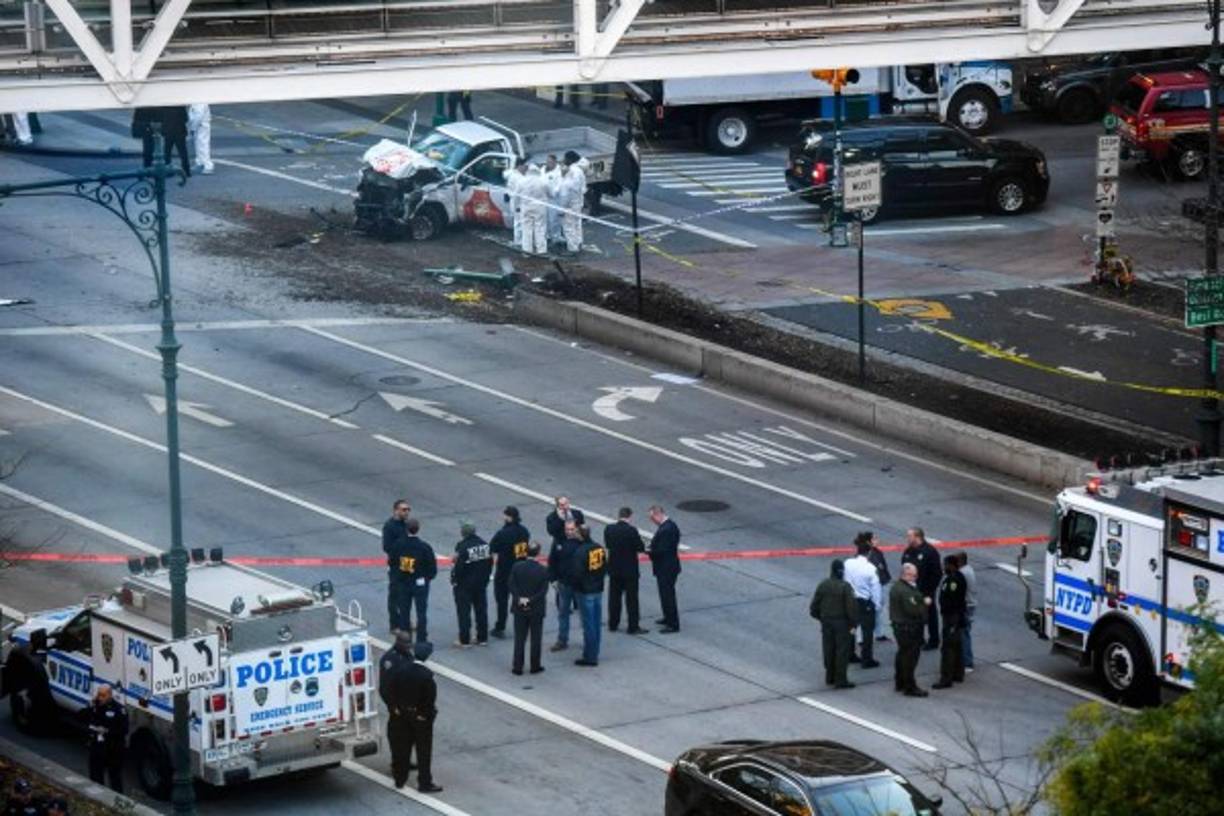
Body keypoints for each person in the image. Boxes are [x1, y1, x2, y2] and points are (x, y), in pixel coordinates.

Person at [380, 636, 442, 793]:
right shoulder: (427, 676)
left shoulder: (401, 669)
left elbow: (389, 688)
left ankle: (400, 780)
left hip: (402, 714)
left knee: (402, 746)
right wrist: (425, 715)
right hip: (419, 717)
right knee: (423, 750)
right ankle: (424, 782)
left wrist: (395, 707)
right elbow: (429, 699)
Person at [387, 518, 438, 643]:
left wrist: (398, 576)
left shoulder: (398, 545)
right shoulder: (424, 547)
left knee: (404, 612)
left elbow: (392, 562)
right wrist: (426, 579)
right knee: (421, 612)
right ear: (418, 529)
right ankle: (421, 639)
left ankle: (406, 639)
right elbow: (432, 567)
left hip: (403, 582)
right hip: (419, 583)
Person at [809, 560, 858, 689]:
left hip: (827, 622)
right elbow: (851, 608)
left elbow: (814, 607)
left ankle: (829, 676)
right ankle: (840, 679)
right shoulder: (845, 587)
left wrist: (822, 618)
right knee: (842, 651)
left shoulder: (823, 585)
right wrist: (853, 623)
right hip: (842, 623)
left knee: (828, 649)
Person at [378, 632, 418, 788]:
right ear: (398, 642)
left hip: (409, 704)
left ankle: (405, 761)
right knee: (398, 737)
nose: (408, 647)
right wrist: (393, 706)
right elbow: (385, 687)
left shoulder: (408, 655)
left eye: (409, 645)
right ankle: (397, 765)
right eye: (406, 644)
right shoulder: (389, 660)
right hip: (398, 706)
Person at [604, 507, 648, 634]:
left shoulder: (609, 529)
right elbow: (640, 547)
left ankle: (613, 623)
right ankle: (633, 626)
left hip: (614, 568)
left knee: (614, 598)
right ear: (629, 516)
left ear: (619, 516)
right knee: (631, 599)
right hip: (629, 570)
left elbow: (608, 544)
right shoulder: (631, 531)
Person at [490, 505, 531, 639]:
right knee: (522, 598)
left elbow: (492, 547)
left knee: (502, 600)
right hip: (521, 568)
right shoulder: (524, 531)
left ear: (508, 517)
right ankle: (525, 624)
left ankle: (500, 626)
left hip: (505, 571)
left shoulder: (503, 533)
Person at [509, 541, 549, 675]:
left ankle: (517, 666)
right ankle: (535, 665)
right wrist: (530, 600)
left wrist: (519, 599)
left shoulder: (517, 567)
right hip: (536, 608)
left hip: (519, 607)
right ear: (538, 553)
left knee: (519, 638)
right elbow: (543, 591)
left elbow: (512, 585)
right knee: (535, 638)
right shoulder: (543, 570)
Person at [890, 563, 930, 697]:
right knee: (910, 658)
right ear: (905, 575)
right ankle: (910, 686)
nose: (915, 578)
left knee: (902, 654)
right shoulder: (905, 591)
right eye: (913, 575)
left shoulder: (898, 587)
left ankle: (900, 681)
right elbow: (913, 610)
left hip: (901, 627)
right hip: (908, 628)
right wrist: (924, 604)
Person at [451, 521, 492, 647]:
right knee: (481, 610)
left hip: (465, 585)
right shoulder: (484, 545)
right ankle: (482, 637)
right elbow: (489, 563)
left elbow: (459, 568)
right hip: (480, 583)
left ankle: (464, 640)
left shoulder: (463, 547)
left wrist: (455, 580)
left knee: (464, 612)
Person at [571, 525, 607, 666]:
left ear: (580, 535)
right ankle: (594, 651)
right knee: (596, 623)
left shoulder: (580, 552)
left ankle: (590, 656)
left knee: (588, 625)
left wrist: (576, 587)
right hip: (597, 588)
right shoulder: (598, 548)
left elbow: (577, 574)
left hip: (585, 591)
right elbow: (604, 567)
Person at [844, 534, 882, 669]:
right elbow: (876, 589)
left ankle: (850, 654)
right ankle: (867, 659)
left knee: (851, 628)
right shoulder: (870, 569)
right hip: (865, 602)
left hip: (850, 600)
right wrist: (876, 605)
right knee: (867, 632)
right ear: (869, 552)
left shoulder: (847, 563)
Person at [901, 527, 943, 649]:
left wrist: (929, 591)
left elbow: (937, 574)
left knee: (930, 615)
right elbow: (904, 566)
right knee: (914, 615)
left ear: (917, 537)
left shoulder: (930, 552)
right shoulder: (908, 551)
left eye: (910, 536)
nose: (907, 538)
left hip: (926, 590)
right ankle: (919, 639)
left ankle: (933, 640)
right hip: (911, 590)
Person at [547, 520, 583, 652]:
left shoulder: (582, 542)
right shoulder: (558, 542)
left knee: (583, 614)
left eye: (572, 529)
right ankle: (562, 640)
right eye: (567, 529)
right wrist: (553, 579)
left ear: (576, 529)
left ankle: (587, 639)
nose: (569, 531)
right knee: (563, 613)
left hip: (579, 585)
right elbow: (552, 561)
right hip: (564, 584)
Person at [933, 555, 967, 690]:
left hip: (951, 617)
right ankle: (958, 673)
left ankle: (946, 678)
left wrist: (949, 615)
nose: (943, 567)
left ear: (951, 565)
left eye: (945, 564)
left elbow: (952, 600)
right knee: (957, 646)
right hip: (955, 617)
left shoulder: (953, 580)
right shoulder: (957, 577)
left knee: (948, 648)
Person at [86, 684, 127, 792]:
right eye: (99, 695)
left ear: (109, 695)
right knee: (95, 777)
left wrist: (107, 731)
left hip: (113, 749)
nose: (100, 698)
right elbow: (82, 717)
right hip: (97, 747)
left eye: (103, 695)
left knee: (115, 778)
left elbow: (124, 730)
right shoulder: (95, 707)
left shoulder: (119, 710)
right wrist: (91, 705)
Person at [648, 505, 681, 633]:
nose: (652, 521)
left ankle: (673, 624)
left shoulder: (666, 530)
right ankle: (668, 617)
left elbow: (661, 550)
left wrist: (649, 551)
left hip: (666, 568)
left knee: (668, 595)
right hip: (668, 566)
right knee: (665, 594)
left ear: (658, 514)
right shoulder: (669, 526)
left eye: (652, 518)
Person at [382, 499, 412, 635]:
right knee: (394, 596)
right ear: (396, 510)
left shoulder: (406, 525)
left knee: (406, 594)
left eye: (408, 510)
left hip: (407, 563)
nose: (406, 512)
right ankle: (394, 625)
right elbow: (387, 547)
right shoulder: (389, 526)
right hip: (396, 565)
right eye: (404, 510)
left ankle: (405, 621)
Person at [556, 151, 588, 254]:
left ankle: (572, 248)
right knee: (577, 224)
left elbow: (567, 191)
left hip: (570, 204)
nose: (564, 161)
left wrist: (562, 208)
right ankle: (578, 243)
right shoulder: (580, 171)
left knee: (568, 227)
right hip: (578, 202)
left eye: (565, 158)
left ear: (570, 159)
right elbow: (583, 188)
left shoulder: (572, 172)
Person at [517, 164, 549, 255]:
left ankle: (527, 251)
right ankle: (542, 250)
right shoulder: (543, 181)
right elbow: (551, 193)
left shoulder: (521, 181)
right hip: (540, 208)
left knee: (526, 229)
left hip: (526, 207)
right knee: (540, 228)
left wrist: (517, 207)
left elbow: (516, 195)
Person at [866, 531, 892, 642]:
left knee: (878, 610)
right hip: (877, 586)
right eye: (874, 539)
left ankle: (878, 633)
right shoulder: (870, 555)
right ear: (868, 542)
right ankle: (866, 635)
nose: (878, 540)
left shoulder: (876, 552)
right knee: (874, 610)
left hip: (882, 583)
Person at [957, 551, 977, 672]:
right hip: (970, 604)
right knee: (965, 633)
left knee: (964, 634)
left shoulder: (962, 573)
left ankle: (967, 662)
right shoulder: (969, 569)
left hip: (966, 606)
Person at [502, 160, 527, 249]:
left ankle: (519, 240)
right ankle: (518, 241)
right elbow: (517, 194)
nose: (526, 168)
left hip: (516, 202)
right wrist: (517, 206)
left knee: (518, 222)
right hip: (517, 203)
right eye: (524, 166)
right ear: (519, 166)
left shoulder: (514, 175)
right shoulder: (517, 177)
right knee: (518, 222)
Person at [187, 103, 214, 175]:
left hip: (201, 126)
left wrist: (193, 127)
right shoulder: (197, 101)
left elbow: (198, 116)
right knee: (198, 146)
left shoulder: (200, 102)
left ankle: (208, 166)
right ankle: (200, 162)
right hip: (199, 126)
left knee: (203, 146)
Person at [543, 154, 564, 245]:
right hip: (543, 198)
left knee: (554, 219)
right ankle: (547, 235)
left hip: (553, 199)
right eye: (547, 162)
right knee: (545, 218)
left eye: (550, 162)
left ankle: (556, 236)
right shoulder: (543, 169)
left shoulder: (559, 172)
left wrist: (552, 193)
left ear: (555, 162)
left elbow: (559, 185)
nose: (548, 163)